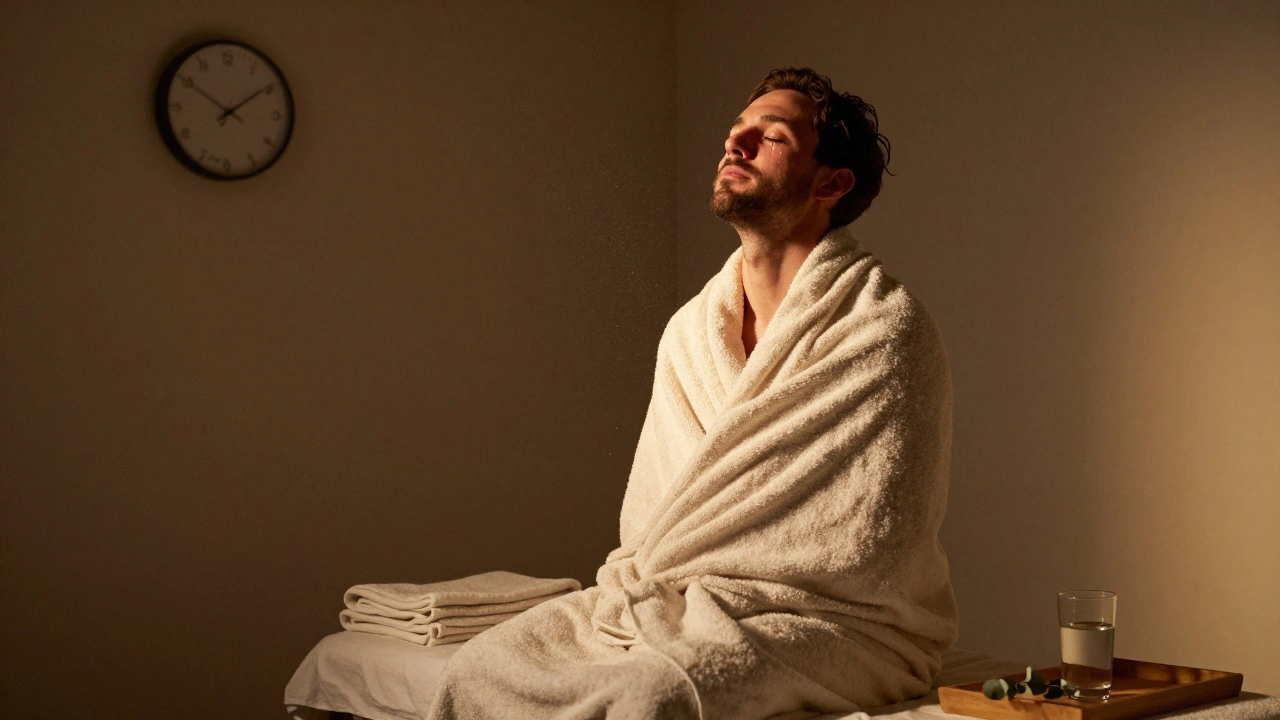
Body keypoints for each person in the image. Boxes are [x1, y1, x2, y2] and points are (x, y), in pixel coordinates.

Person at [428, 66, 958, 720]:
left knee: (653, 694)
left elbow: (869, 543)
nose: (736, 145)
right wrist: (672, 592)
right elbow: (654, 513)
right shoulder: (690, 332)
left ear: (831, 182)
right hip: (670, 596)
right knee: (477, 668)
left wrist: (717, 592)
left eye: (773, 137)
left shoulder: (885, 328)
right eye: (736, 132)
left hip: (835, 622)